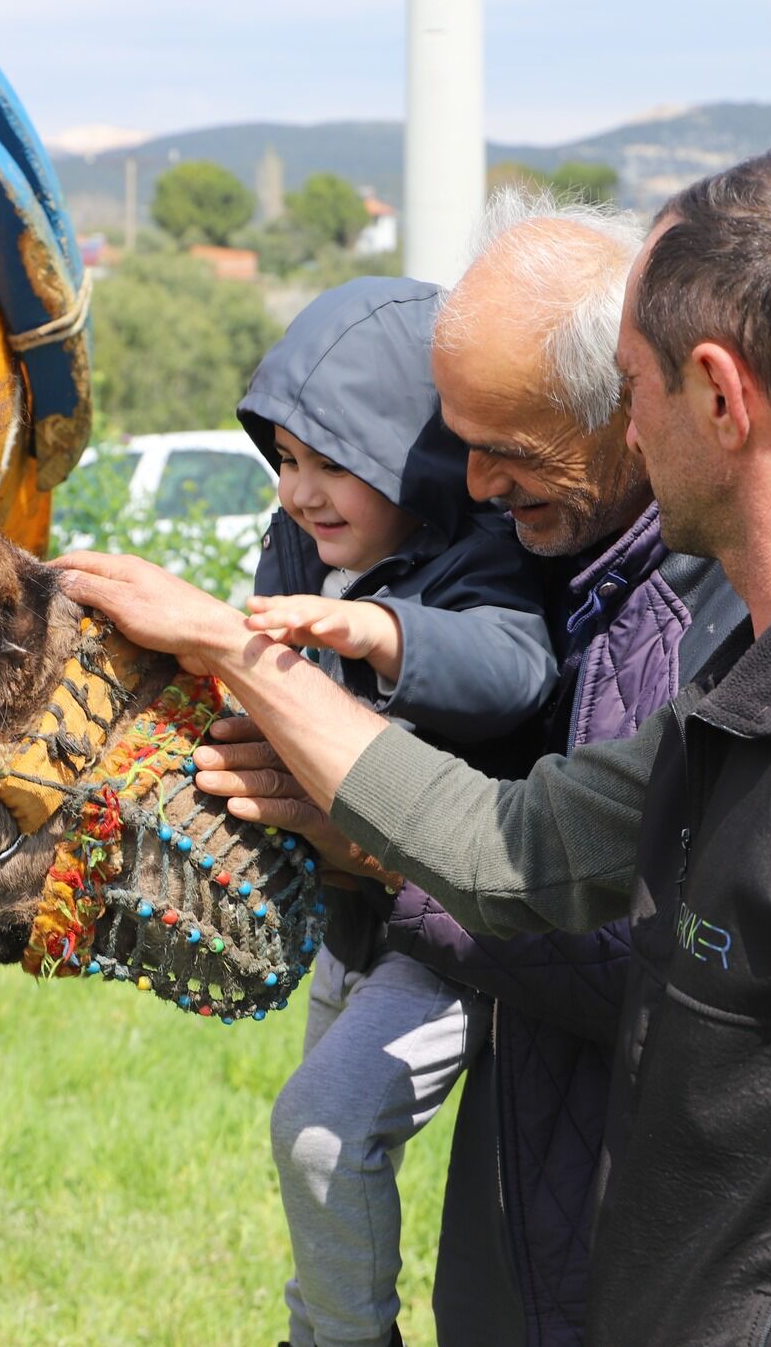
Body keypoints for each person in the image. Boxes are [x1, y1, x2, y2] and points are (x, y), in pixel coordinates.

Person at [59, 151, 771, 1347]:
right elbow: (511, 848)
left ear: (715, 395)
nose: (626, 429)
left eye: (630, 384)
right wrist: (239, 654)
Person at [384, 187, 745, 1346]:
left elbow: (636, 970)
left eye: (511, 451)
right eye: (464, 447)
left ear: (626, 409)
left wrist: (377, 857)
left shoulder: (715, 623)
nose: (479, 487)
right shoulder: (572, 577)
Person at [231, 275, 557, 1347]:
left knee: (324, 1127)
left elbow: (512, 670)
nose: (299, 492)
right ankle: (318, 1322)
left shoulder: (486, 558)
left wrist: (381, 634)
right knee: (318, 1146)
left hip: (449, 927)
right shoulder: (303, 553)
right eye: (283, 461)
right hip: (351, 922)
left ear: (412, 458)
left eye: (332, 463)